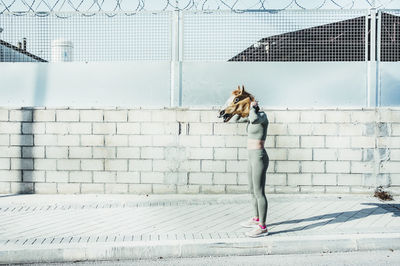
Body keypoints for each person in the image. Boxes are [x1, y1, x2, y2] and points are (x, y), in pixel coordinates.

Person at [232, 101, 269, 237]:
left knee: (259, 192)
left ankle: (263, 227)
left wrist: (252, 108)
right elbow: (235, 120)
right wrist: (239, 108)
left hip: (259, 156)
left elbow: (254, 119)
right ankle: (256, 218)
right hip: (251, 157)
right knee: (252, 190)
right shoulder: (250, 115)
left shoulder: (262, 116)